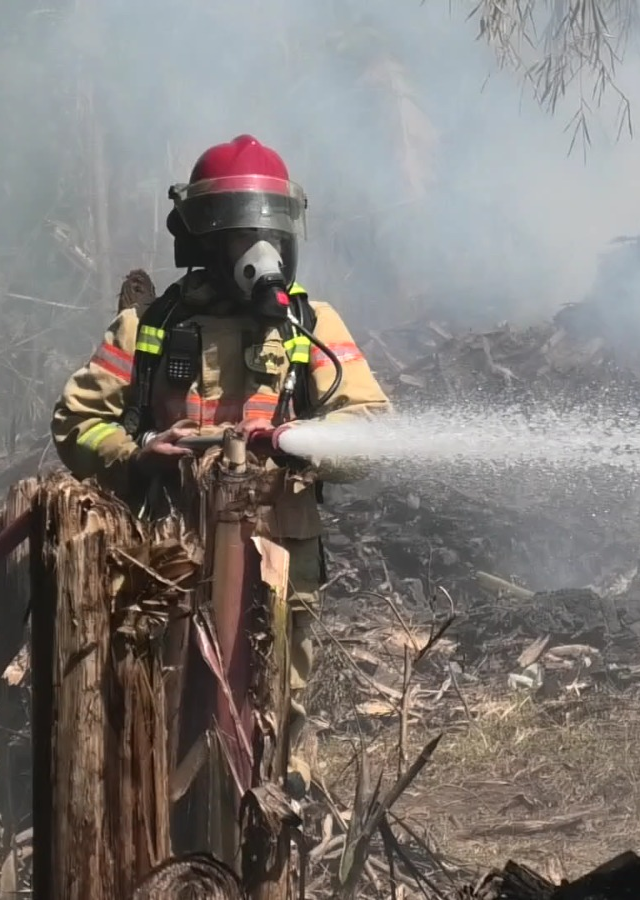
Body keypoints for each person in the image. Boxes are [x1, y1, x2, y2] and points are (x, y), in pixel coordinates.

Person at [51, 134, 391, 796]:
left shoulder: (308, 326)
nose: (262, 249)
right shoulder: (147, 329)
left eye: (271, 229)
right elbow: (75, 424)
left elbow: (371, 430)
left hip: (279, 567)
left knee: (278, 717)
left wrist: (299, 438)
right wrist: (137, 456)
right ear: (206, 240)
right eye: (243, 233)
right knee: (162, 710)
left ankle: (272, 844)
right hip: (167, 564)